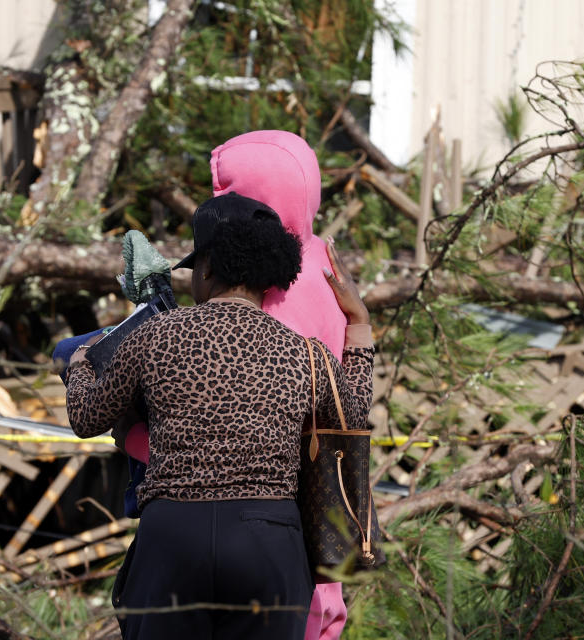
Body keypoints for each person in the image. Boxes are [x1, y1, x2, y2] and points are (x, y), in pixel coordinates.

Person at [66, 192, 374, 640]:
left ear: (208, 267)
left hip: (173, 538)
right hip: (268, 540)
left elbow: (86, 417)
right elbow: (354, 415)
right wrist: (359, 323)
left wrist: (78, 368)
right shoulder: (306, 355)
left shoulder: (155, 336)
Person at [211, 129, 352, 639]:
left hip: (274, 493)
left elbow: (232, 410)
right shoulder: (321, 260)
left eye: (227, 196)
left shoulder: (271, 293)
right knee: (321, 608)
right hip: (325, 469)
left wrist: (140, 440)